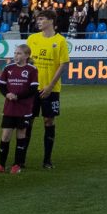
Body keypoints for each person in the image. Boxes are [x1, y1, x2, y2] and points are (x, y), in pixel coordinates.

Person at [27, 13, 71, 169]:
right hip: (32, 89)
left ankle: (47, 159)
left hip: (51, 89)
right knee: (28, 121)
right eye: (38, 19)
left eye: (42, 19)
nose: (38, 22)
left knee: (49, 121)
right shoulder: (32, 39)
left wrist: (51, 86)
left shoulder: (60, 41)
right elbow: (28, 62)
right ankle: (21, 159)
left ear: (51, 21)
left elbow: (63, 64)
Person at [0, 43, 40, 174]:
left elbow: (33, 89)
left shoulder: (32, 70)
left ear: (26, 56)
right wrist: (7, 94)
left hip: (24, 109)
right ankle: (1, 165)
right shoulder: (8, 68)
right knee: (5, 136)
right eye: (15, 53)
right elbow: (2, 85)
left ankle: (16, 165)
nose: (16, 55)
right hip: (9, 108)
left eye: (19, 53)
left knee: (21, 136)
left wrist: (17, 96)